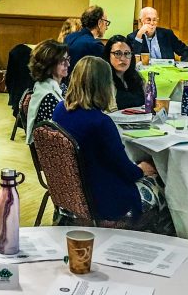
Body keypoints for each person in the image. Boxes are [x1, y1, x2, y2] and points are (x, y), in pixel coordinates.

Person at [52, 56, 172, 233]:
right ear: (104, 85)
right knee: (166, 186)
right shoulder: (101, 123)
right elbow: (124, 169)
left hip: (73, 194)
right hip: (107, 201)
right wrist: (142, 169)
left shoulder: (60, 110)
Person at [26, 40, 69, 143]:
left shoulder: (60, 87)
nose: (68, 64)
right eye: (63, 61)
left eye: (68, 59)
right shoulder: (48, 97)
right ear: (49, 64)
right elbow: (59, 134)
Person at [104, 35, 145, 110]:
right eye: (117, 54)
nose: (122, 58)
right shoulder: (104, 80)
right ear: (108, 55)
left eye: (127, 54)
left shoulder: (136, 77)